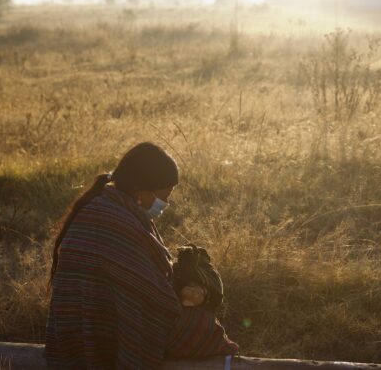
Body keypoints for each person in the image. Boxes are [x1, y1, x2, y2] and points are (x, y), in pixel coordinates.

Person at [45, 142, 239, 369]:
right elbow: (151, 298)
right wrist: (192, 297)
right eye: (163, 196)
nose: (165, 204)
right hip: (110, 332)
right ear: (140, 190)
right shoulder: (120, 222)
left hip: (71, 334)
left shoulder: (100, 208)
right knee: (202, 328)